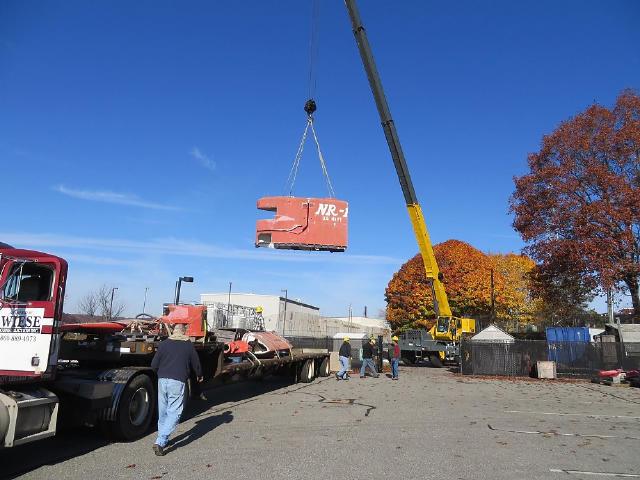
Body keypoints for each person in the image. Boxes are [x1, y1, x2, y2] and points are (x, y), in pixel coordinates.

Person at [151, 322, 203, 456]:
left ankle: (162, 438)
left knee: (163, 411)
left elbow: (154, 364)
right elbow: (196, 363)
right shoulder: (188, 345)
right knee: (174, 412)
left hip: (162, 380)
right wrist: (199, 375)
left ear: (173, 331)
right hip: (177, 380)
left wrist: (161, 373)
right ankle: (161, 441)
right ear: (184, 332)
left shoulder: (164, 344)